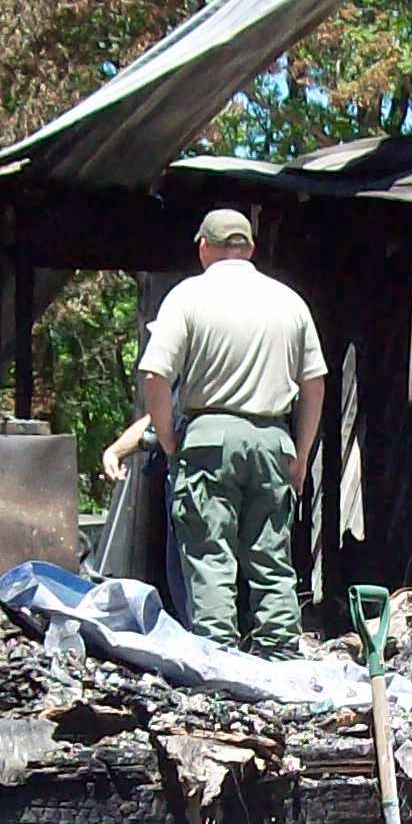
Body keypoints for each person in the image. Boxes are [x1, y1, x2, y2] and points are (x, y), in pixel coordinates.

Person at [137, 210, 327, 652]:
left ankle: (218, 659)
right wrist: (300, 454)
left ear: (204, 247)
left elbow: (154, 376)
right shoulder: (289, 301)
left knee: (210, 556)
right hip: (272, 440)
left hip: (208, 438)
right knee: (271, 556)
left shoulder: (188, 297)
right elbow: (314, 384)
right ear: (251, 248)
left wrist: (169, 442)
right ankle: (280, 652)